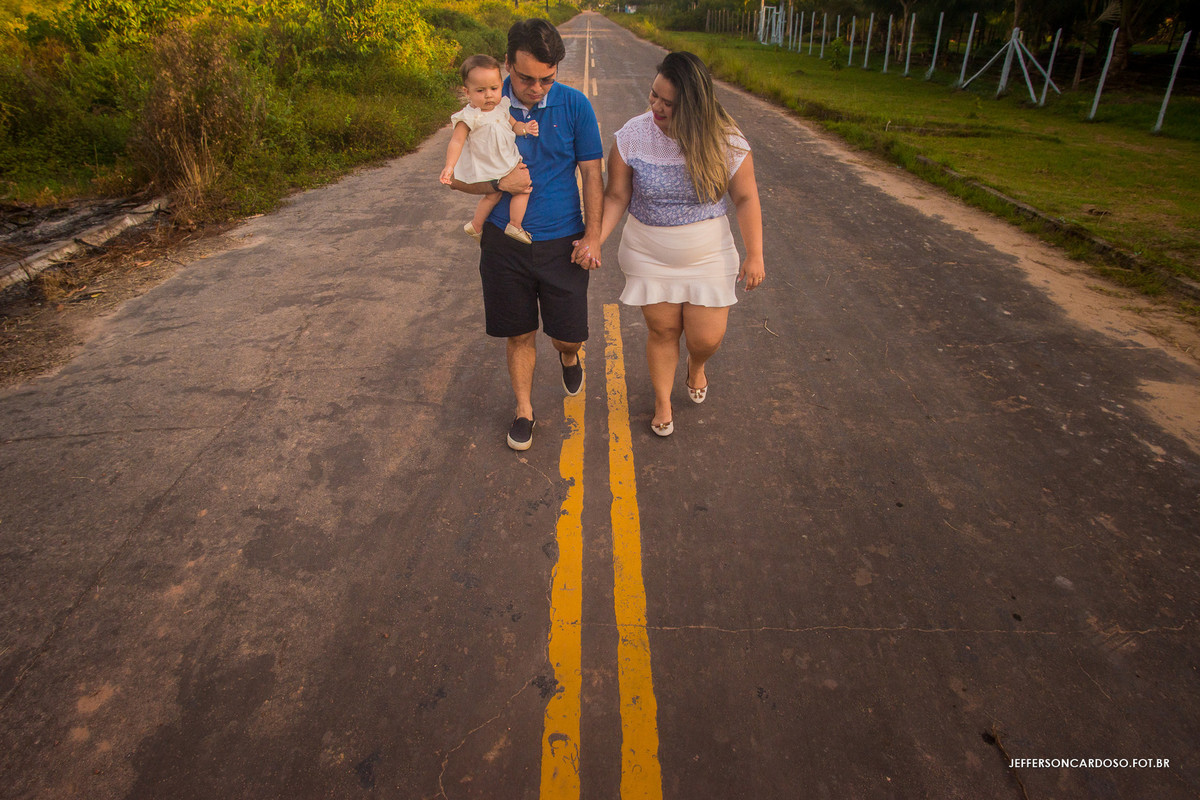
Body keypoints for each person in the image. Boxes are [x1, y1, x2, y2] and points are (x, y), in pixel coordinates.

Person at [447, 19, 604, 451]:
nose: (537, 88)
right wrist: (500, 186)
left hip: (563, 242)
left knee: (568, 335)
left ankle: (569, 356)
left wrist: (593, 236)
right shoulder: (484, 110)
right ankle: (524, 410)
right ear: (506, 65)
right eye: (526, 78)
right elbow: (458, 177)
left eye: (547, 79)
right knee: (519, 333)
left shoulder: (575, 106)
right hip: (504, 241)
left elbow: (592, 174)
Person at [591, 51, 764, 437]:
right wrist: (595, 240)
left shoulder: (726, 140)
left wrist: (755, 254)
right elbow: (617, 196)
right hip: (648, 253)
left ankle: (696, 366)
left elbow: (746, 198)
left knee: (705, 338)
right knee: (663, 330)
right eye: (654, 96)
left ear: (693, 106)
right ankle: (663, 400)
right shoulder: (633, 135)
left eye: (667, 103)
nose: (655, 106)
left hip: (708, 253)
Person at [440, 54, 539, 244]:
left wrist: (526, 128)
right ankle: (513, 225)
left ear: (501, 86)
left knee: (503, 192)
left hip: (506, 159)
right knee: (519, 188)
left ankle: (479, 226)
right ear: (467, 92)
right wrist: (449, 166)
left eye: (494, 88)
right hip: (491, 164)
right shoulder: (469, 116)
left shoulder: (502, 107)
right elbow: (456, 142)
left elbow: (515, 125)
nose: (488, 95)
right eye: (480, 90)